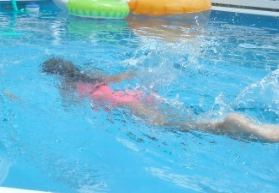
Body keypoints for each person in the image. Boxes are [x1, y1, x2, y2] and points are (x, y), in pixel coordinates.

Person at [42, 57, 279, 143]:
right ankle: (258, 127)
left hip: (126, 106)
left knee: (171, 125)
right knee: (182, 117)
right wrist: (137, 73)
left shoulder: (66, 87)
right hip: (133, 96)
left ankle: (225, 127)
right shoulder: (91, 74)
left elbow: (69, 110)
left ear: (56, 77)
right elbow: (119, 77)